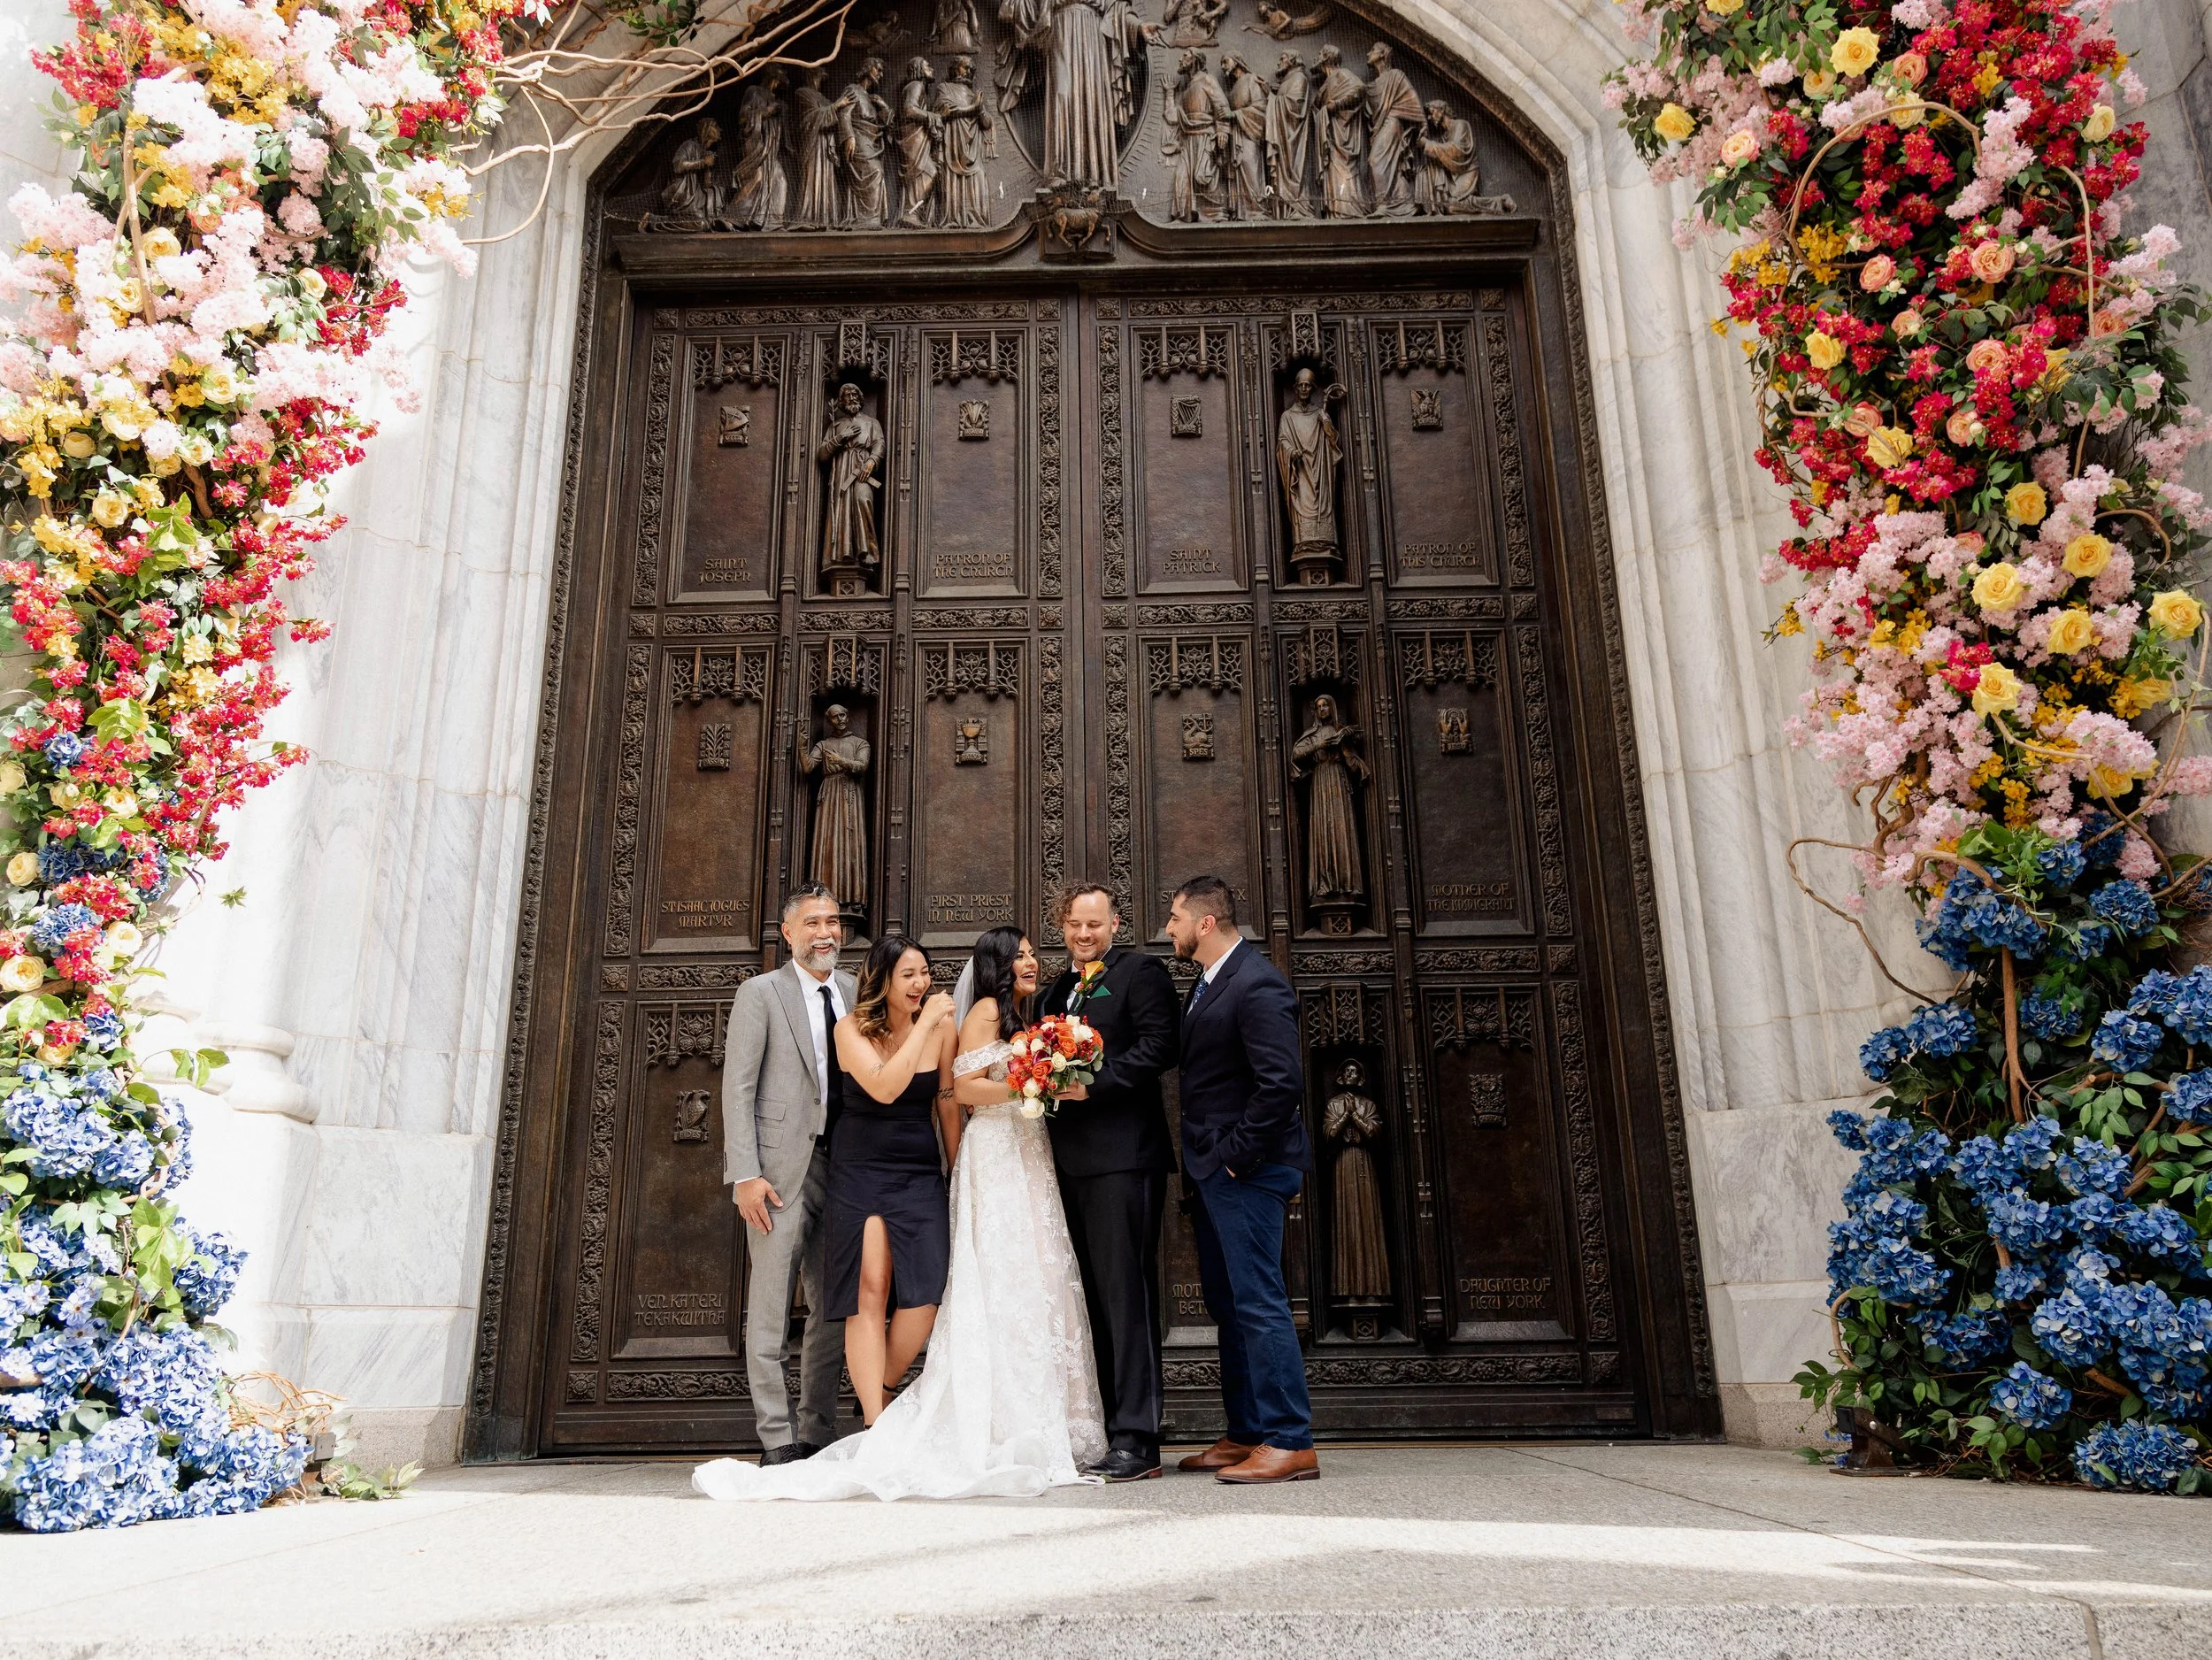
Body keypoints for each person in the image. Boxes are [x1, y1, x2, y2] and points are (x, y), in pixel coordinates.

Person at [695, 926, 1107, 1501]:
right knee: (869, 1286)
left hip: (916, 1170)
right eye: (908, 974)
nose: (921, 983)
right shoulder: (849, 1030)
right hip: (859, 1169)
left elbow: (945, 1097)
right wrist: (923, 1029)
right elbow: (886, 1087)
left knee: (925, 1297)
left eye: (925, 973)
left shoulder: (941, 1029)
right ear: (884, 981)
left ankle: (884, 1386)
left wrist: (961, 1164)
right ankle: (873, 1420)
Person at [1164, 874, 1316, 1483]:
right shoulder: (1206, 983)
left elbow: (1282, 1084)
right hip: (1215, 1171)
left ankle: (1290, 1439)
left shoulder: (1258, 984)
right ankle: (1247, 1432)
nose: (1167, 928)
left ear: (1204, 923)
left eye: (1175, 917)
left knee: (1260, 1303)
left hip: (1246, 1172)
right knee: (1230, 1305)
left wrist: (1234, 1157)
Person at [1036, 883, 1179, 1481]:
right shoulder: (1053, 989)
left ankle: (1139, 1438)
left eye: (1095, 924)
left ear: (1115, 923)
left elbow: (1160, 1047)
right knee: (1090, 1301)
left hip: (1124, 1158)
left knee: (1127, 1298)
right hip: (1067, 1162)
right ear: (1063, 926)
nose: (1084, 934)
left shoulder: (1140, 974)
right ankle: (1107, 1425)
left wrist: (1095, 1083)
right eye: (1075, 925)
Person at [718, 884, 856, 1464]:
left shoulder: (852, 990)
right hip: (776, 1173)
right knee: (772, 1306)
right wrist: (744, 1173)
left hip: (842, 1167)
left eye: (833, 922)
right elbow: (739, 1087)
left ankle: (814, 1430)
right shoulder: (762, 994)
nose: (827, 933)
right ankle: (775, 1438)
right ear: (790, 934)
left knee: (831, 1308)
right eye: (814, 924)